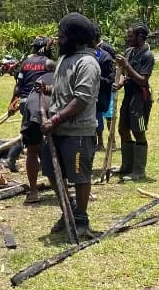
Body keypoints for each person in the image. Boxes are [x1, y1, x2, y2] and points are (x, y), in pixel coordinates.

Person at [41, 13, 102, 239]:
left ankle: (81, 220)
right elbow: (63, 91)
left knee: (79, 177)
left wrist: (55, 119)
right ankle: (68, 210)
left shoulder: (87, 63)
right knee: (52, 172)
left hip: (77, 132)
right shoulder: (65, 59)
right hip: (56, 130)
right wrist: (47, 91)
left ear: (74, 37)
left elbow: (81, 99)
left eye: (62, 35)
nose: (58, 39)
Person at [6, 37, 54, 195]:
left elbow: (18, 86)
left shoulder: (25, 63)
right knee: (49, 144)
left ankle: (33, 191)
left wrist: (13, 102)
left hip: (26, 105)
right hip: (44, 105)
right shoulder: (50, 64)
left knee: (32, 144)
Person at [112, 23, 154, 182]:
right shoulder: (129, 52)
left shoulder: (148, 55)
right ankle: (126, 166)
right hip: (128, 96)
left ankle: (139, 170)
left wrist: (127, 65)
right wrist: (119, 83)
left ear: (140, 36)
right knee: (123, 129)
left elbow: (142, 80)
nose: (128, 39)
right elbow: (123, 73)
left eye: (131, 36)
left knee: (138, 131)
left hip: (140, 98)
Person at [93, 34, 116, 151]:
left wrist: (101, 80)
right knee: (97, 116)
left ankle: (112, 142)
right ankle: (100, 142)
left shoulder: (106, 51)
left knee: (109, 115)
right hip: (94, 91)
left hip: (106, 89)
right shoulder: (88, 53)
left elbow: (112, 71)